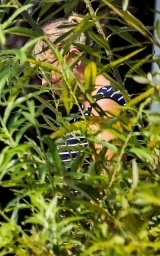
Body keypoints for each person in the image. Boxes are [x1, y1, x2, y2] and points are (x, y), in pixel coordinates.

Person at [33, 15, 126, 163]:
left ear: (74, 57)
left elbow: (109, 180)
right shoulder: (87, 108)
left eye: (47, 70)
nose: (44, 82)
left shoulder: (103, 108)